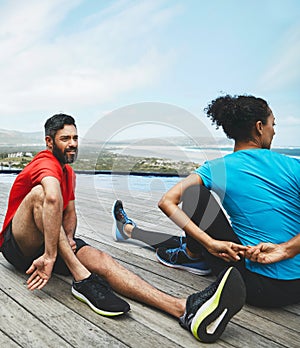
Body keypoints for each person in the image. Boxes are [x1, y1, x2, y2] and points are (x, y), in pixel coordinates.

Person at [0, 114, 246, 344]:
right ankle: (82, 279)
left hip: (51, 242)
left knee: (103, 260)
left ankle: (183, 309)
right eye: (65, 138)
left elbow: (70, 212)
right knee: (41, 194)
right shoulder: (45, 162)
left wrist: (71, 238)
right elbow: (52, 199)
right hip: (19, 245)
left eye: (75, 138)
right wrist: (52, 255)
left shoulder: (69, 172)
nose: (73, 143)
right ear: (49, 141)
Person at [112, 94, 300, 308]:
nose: (273, 131)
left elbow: (167, 201)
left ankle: (181, 251)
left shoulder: (217, 168)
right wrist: (287, 249)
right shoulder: (294, 165)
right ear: (259, 127)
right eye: (272, 125)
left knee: (195, 196)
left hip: (254, 286)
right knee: (196, 239)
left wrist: (210, 244)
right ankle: (129, 230)